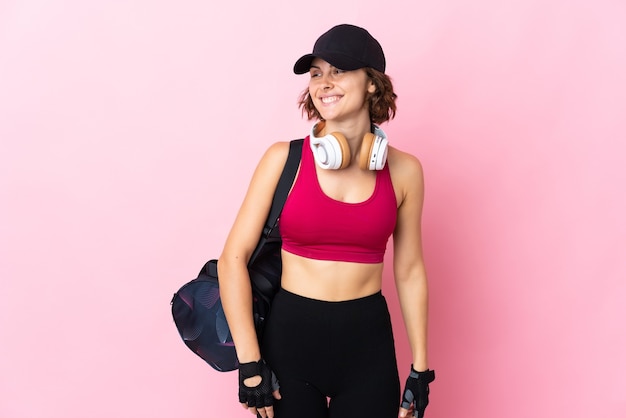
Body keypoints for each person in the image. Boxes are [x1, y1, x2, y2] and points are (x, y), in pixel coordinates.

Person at [218, 24, 435, 418]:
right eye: (316, 73)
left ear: (372, 84)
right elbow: (233, 258)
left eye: (338, 71)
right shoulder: (282, 160)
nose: (324, 83)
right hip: (291, 343)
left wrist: (420, 369)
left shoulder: (405, 171)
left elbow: (409, 269)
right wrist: (250, 364)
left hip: (368, 347)